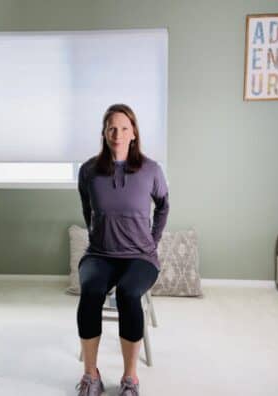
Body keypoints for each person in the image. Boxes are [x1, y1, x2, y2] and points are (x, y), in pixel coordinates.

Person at [75, 103, 170, 396]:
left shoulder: (151, 169)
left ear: (134, 133)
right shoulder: (89, 170)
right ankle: (91, 375)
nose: (117, 134)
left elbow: (164, 206)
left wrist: (152, 240)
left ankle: (131, 378)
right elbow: (87, 208)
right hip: (100, 254)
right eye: (112, 128)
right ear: (104, 133)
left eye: (124, 128)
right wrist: (98, 234)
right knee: (91, 291)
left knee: (129, 294)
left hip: (140, 257)